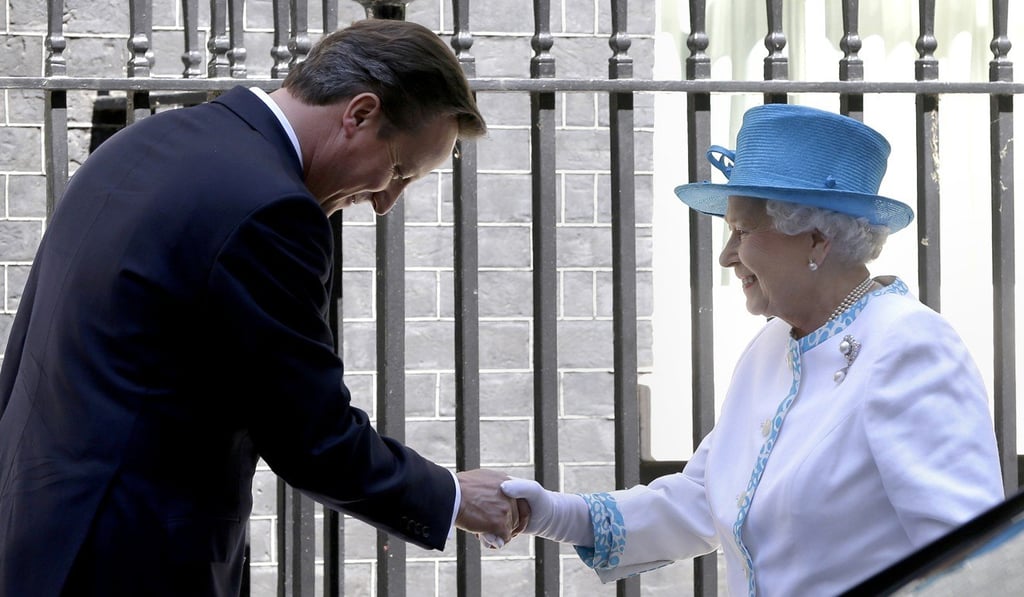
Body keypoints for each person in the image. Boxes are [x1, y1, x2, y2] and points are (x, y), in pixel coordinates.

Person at [0, 18, 524, 597]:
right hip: (132, 559)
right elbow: (313, 438)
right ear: (360, 113)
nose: (384, 203)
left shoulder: (146, 141)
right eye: (398, 171)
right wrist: (452, 497)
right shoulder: (272, 209)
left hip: (37, 534)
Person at [495, 103, 1005, 595]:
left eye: (741, 230)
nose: (725, 255)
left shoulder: (910, 345)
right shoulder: (772, 347)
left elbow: (969, 559)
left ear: (815, 240)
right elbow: (704, 497)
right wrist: (553, 513)